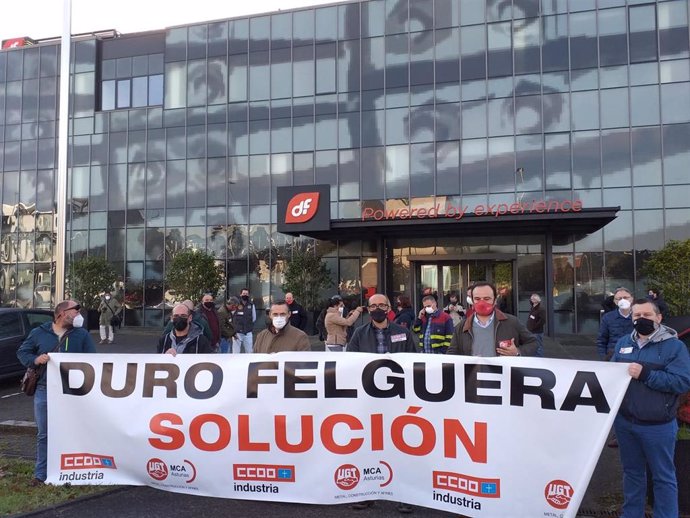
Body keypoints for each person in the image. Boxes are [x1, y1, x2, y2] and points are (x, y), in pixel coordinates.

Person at [611, 298, 690, 518]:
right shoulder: (623, 343)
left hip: (658, 425)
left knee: (663, 476)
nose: (641, 319)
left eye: (647, 315)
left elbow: (682, 382)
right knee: (632, 474)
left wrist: (647, 375)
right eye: (637, 316)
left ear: (659, 317)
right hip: (626, 423)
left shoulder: (674, 347)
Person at [346, 293, 416, 514]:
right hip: (369, 399)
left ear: (389, 308)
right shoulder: (359, 333)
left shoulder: (403, 333)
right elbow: (350, 364)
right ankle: (368, 493)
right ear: (368, 309)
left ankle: (404, 495)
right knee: (369, 447)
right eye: (373, 305)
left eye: (381, 305)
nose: (377, 308)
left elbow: (414, 361)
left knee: (402, 447)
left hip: (397, 398)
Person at [17, 300, 97, 485]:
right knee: (44, 434)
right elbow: (23, 352)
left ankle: (71, 473)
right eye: (75, 311)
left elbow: (94, 360)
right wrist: (36, 359)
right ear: (61, 313)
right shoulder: (39, 333)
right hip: (44, 391)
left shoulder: (82, 335)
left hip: (73, 393)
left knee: (73, 431)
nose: (79, 314)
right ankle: (41, 474)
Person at [446, 282, 537, 357]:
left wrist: (517, 352)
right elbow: (452, 354)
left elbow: (533, 343)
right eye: (477, 299)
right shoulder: (461, 327)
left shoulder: (512, 322)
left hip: (503, 377)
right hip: (472, 378)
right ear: (472, 301)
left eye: (487, 298)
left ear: (495, 301)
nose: (482, 303)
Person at [596, 287, 635, 361]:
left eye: (625, 297)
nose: (623, 300)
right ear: (615, 301)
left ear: (631, 299)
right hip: (613, 357)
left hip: (634, 357)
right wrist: (604, 358)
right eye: (619, 298)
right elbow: (601, 340)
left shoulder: (638, 316)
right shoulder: (608, 318)